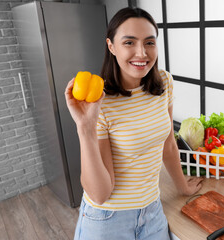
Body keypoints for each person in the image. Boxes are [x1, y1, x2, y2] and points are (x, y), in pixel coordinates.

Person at [65, 7, 203, 240]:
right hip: (108, 220)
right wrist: (85, 128)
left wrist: (182, 187)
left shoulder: (165, 83)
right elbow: (100, 194)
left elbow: (168, 142)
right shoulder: (99, 102)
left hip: (152, 212)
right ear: (111, 46)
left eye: (149, 43)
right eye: (129, 42)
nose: (142, 53)